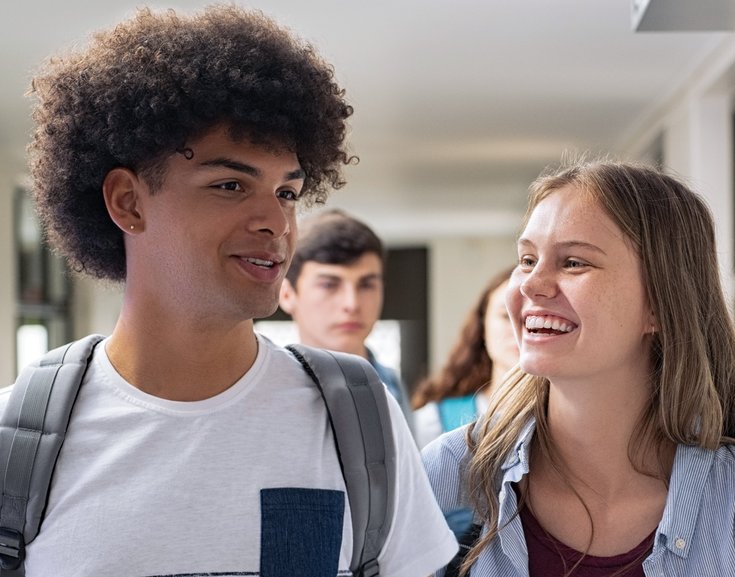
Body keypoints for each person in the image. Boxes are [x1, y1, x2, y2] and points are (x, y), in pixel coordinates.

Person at [3, 6, 458, 576]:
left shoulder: (358, 421)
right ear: (128, 201)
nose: (277, 221)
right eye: (229, 184)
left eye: (288, 193)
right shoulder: (15, 448)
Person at [422, 160, 735, 576]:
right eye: (528, 259)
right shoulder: (451, 474)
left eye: (573, 263)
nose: (530, 284)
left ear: (659, 304)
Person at [278, 208, 414, 425]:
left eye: (367, 284)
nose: (351, 304)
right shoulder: (270, 392)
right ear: (286, 294)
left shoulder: (395, 387)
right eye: (329, 284)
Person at [411, 266, 518, 448]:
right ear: (483, 327)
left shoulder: (574, 422)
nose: (519, 329)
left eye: (532, 317)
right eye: (506, 316)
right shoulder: (432, 421)